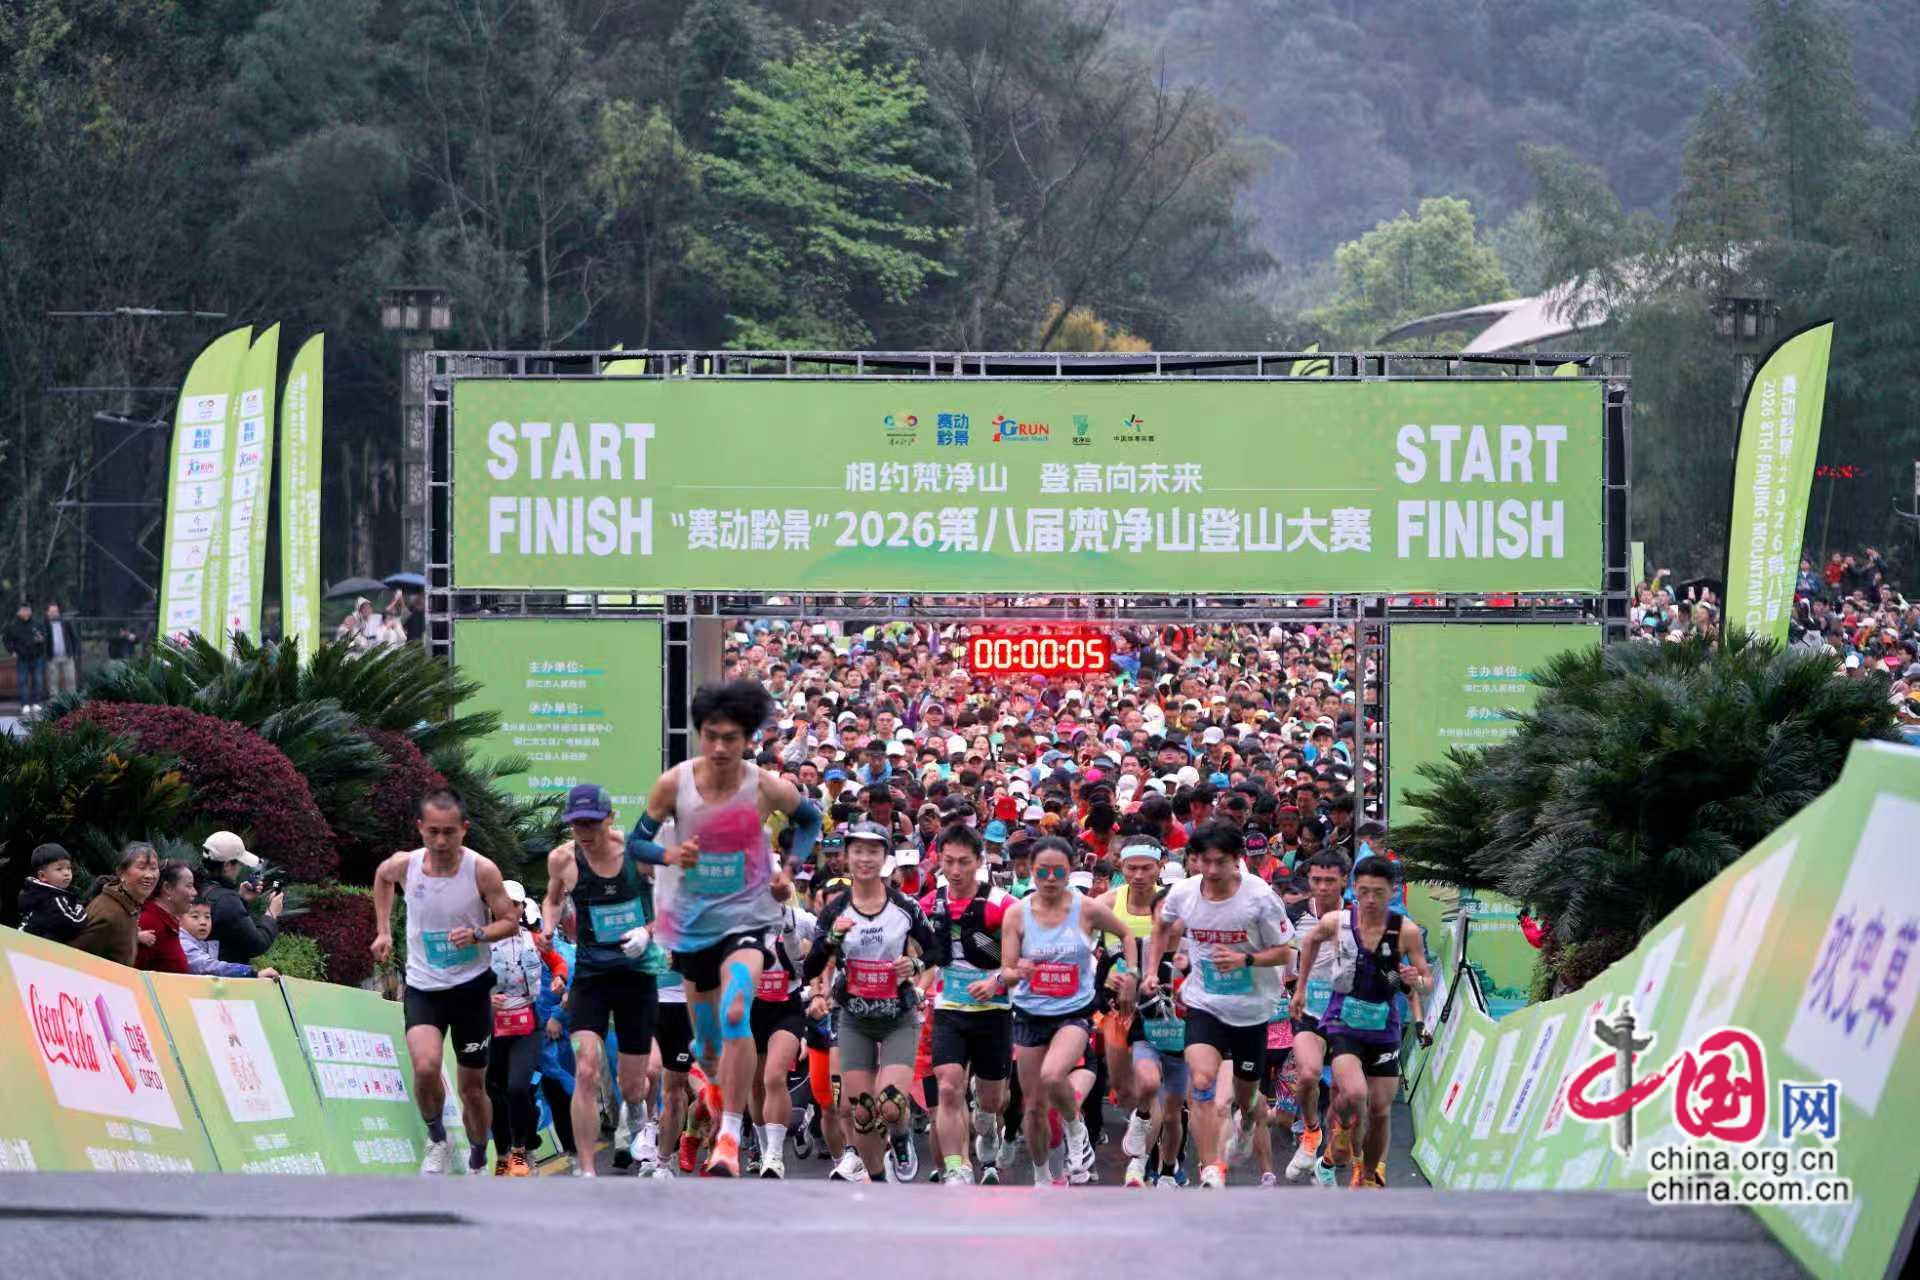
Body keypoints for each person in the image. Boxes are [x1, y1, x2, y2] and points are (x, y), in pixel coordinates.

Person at [634, 679, 823, 1177]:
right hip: (694, 927)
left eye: (731, 738)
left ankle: (730, 1138)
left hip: (748, 919)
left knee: (737, 1008)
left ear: (748, 738)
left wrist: (789, 869)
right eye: (711, 736)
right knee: (710, 1050)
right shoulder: (674, 785)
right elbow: (637, 843)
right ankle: (716, 1092)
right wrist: (670, 855)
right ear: (700, 734)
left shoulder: (763, 786)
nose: (720, 747)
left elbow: (810, 822)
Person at [370, 789, 522, 1176]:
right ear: (420, 828)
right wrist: (383, 930)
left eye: (449, 832)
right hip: (424, 987)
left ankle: (478, 1154)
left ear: (464, 829)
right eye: (433, 832)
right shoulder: (406, 865)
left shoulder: (481, 870)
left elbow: (510, 921)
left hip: (471, 989)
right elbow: (382, 878)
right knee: (425, 1067)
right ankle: (437, 1138)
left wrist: (478, 934)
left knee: (472, 1087)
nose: (440, 842)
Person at [1145, 819, 1295, 1188]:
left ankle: (1248, 1122)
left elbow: (1284, 952)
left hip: (1252, 1010)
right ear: (1194, 860)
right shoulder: (1183, 893)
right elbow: (1161, 926)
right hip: (1205, 1002)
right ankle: (1210, 1166)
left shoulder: (1260, 898)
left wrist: (1246, 959)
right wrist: (1151, 971)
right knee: (1201, 1080)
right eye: (1204, 861)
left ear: (1237, 859)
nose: (1211, 870)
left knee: (1246, 1097)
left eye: (1221, 862)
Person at [540, 782, 668, 1179]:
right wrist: (547, 927)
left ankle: (636, 1116)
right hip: (591, 979)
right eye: (576, 823)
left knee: (633, 1085)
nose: (584, 831)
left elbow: (675, 904)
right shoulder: (563, 859)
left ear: (610, 818)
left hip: (636, 979)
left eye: (592, 822)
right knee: (586, 1069)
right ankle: (586, 1170)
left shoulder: (638, 855)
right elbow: (553, 898)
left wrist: (647, 931)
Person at [1000, 835, 1135, 1186]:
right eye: (1042, 871)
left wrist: (1130, 974)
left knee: (1052, 1076)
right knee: (1033, 1108)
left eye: (1058, 871)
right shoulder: (1016, 914)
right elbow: (1007, 971)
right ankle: (1042, 1175)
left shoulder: (1085, 908)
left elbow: (1125, 934)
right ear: (1031, 871)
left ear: (1069, 871)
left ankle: (1076, 1128)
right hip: (1029, 1015)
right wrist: (1019, 971)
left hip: (1073, 1013)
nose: (1050, 879)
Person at [1289, 855, 1431, 1189]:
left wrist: (1415, 979)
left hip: (1383, 1027)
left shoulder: (1405, 931)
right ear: (1354, 888)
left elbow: (1426, 981)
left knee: (1380, 1109)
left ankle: (1368, 1176)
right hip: (1343, 1022)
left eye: (1378, 893)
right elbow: (1309, 942)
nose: (1369, 900)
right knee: (1355, 1093)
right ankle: (1338, 1129)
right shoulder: (1337, 922)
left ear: (1392, 891)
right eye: (1363, 891)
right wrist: (1301, 988)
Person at [804, 821, 933, 1183]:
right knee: (861, 1112)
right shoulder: (835, 910)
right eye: (858, 851)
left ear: (885, 858)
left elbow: (937, 950)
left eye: (873, 851)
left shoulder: (904, 906)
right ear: (846, 856)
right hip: (854, 1019)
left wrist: (916, 966)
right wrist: (831, 940)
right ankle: (877, 1180)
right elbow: (811, 966)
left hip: (897, 1018)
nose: (865, 859)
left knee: (890, 1105)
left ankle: (902, 1136)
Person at [920, 821, 1014, 1184]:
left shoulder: (1002, 905)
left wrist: (996, 981)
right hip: (949, 1011)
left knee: (993, 1101)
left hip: (994, 1013)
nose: (955, 870)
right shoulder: (929, 904)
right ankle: (957, 1168)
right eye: (948, 862)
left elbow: (1024, 959)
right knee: (947, 1088)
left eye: (964, 862)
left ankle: (987, 1126)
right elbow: (918, 955)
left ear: (979, 861)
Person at [487, 881, 568, 1176]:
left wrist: (559, 978)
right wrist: (484, 997)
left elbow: (558, 963)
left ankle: (520, 1152)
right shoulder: (481, 941)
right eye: (504, 903)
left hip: (527, 1025)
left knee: (519, 1088)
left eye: (515, 904)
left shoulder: (534, 940)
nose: (509, 908)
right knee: (495, 1093)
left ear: (521, 908)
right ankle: (502, 1155)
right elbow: (462, 976)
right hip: (493, 1027)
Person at [1100, 835, 1165, 1179]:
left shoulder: (1171, 903)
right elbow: (1084, 948)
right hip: (1119, 1009)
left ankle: (1141, 1162)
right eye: (1131, 868)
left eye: (1146, 868)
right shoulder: (1107, 902)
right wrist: (1107, 976)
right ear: (1120, 867)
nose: (1139, 875)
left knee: (1151, 1085)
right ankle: (1142, 1132)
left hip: (1160, 1007)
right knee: (1124, 1088)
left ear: (1160, 867)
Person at [1284, 850, 1348, 1181]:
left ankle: (1328, 1161)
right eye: (1317, 880)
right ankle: (1311, 1132)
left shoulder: (1355, 917)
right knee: (1308, 1076)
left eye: (1330, 881)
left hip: (1346, 1014)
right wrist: (1292, 987)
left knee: (1345, 1093)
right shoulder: (1295, 916)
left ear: (1344, 881)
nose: (1323, 887)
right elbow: (1285, 956)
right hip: (1307, 1008)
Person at [750, 873, 815, 1178]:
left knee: (774, 1076)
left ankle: (776, 1155)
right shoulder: (741, 921)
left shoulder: (799, 918)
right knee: (755, 1084)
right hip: (751, 1007)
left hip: (788, 1007)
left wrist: (820, 982)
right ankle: (764, 1148)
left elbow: (829, 942)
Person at [199, 831, 284, 966]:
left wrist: (241, 899)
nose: (240, 868)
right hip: (221, 976)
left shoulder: (195, 887)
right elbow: (256, 944)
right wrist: (271, 913)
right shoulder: (227, 901)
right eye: (239, 863)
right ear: (227, 865)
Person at [71, 842, 160, 965]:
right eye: (141, 867)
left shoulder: (128, 906)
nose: (149, 875)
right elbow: (73, 959)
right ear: (121, 872)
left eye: (153, 868)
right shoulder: (109, 914)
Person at [181, 896, 278, 978]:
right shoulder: (182, 942)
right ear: (178, 918)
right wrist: (252, 973)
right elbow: (207, 966)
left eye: (207, 917)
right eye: (195, 916)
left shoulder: (201, 942)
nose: (203, 922)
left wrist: (242, 898)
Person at [20, 843, 88, 943]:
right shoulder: (54, 898)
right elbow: (74, 922)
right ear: (42, 876)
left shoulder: (37, 893)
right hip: (33, 946)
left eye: (69, 868)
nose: (66, 873)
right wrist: (80, 907)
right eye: (59, 869)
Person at [136, 861, 196, 973]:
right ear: (167, 888)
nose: (194, 892)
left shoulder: (169, 923)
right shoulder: (149, 923)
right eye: (189, 886)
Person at [5, 602, 46, 712]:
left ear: (30, 611)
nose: (26, 612)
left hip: (37, 657)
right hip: (22, 658)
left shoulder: (37, 624)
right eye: (23, 610)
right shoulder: (13, 626)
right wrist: (12, 651)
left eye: (28, 610)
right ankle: (25, 704)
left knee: (38, 681)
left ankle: (36, 702)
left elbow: (44, 638)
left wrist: (41, 640)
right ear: (19, 612)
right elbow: (6, 640)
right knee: (23, 682)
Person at [42, 602, 80, 698]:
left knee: (70, 680)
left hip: (67, 656)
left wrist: (75, 652)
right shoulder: (44, 625)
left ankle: (72, 700)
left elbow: (74, 637)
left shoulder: (65, 622)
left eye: (56, 611)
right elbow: (43, 641)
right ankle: (54, 702)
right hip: (52, 657)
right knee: (53, 682)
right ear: (47, 613)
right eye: (52, 612)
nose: (54, 613)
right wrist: (45, 655)